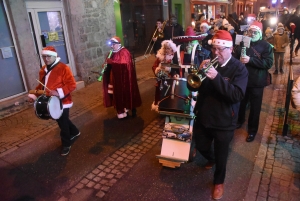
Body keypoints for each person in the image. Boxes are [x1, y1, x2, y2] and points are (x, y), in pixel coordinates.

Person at [189, 30, 248, 200]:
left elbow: (236, 95)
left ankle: (219, 182)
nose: (216, 53)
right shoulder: (209, 63)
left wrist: (216, 78)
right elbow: (195, 87)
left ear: (230, 49)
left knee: (223, 155)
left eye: (220, 49)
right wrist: (198, 75)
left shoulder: (239, 69)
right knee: (201, 145)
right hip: (204, 116)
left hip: (224, 120)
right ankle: (211, 157)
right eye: (214, 49)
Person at [28, 46, 80, 156]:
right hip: (51, 102)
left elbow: (72, 85)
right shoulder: (43, 70)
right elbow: (42, 86)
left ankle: (66, 144)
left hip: (63, 101)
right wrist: (34, 94)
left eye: (48, 56)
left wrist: (58, 92)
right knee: (62, 120)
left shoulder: (63, 68)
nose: (46, 59)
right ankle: (75, 132)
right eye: (44, 56)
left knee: (62, 123)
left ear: (54, 56)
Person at [234, 21, 274, 142]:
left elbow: (268, 63)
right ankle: (239, 121)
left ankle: (252, 130)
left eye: (255, 32)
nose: (252, 33)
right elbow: (236, 57)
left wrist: (250, 60)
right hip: (243, 80)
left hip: (257, 82)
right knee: (241, 103)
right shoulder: (244, 43)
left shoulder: (266, 46)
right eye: (251, 31)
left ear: (260, 33)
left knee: (255, 108)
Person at [103, 36, 142, 119]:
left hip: (125, 79)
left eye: (113, 44)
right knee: (117, 95)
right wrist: (106, 66)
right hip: (115, 79)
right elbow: (109, 65)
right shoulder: (112, 53)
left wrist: (112, 62)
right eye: (111, 45)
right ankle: (123, 112)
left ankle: (133, 110)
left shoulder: (124, 52)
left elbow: (125, 64)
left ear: (117, 44)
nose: (112, 46)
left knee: (128, 94)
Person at [151, 40, 179, 110]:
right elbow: (154, 66)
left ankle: (169, 106)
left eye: (168, 48)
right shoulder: (160, 57)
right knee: (160, 92)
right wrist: (158, 70)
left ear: (172, 49)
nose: (166, 50)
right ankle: (160, 106)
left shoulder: (174, 58)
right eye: (165, 48)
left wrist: (170, 72)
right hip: (161, 79)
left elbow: (177, 69)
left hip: (170, 79)